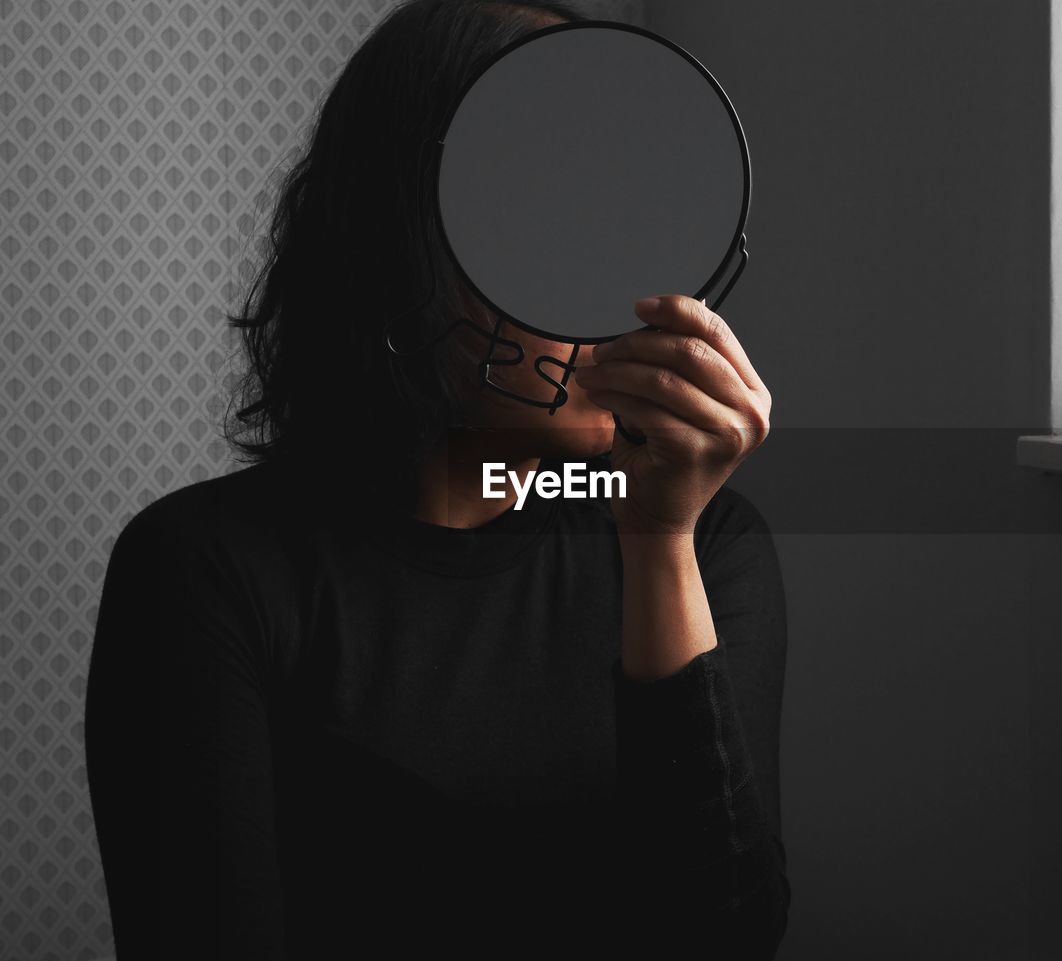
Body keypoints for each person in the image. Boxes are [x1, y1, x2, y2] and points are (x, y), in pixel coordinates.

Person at [84, 1, 789, 958]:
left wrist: (657, 542)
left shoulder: (708, 545)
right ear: (402, 246)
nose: (621, 296)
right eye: (549, 234)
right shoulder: (210, 573)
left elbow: (726, 938)